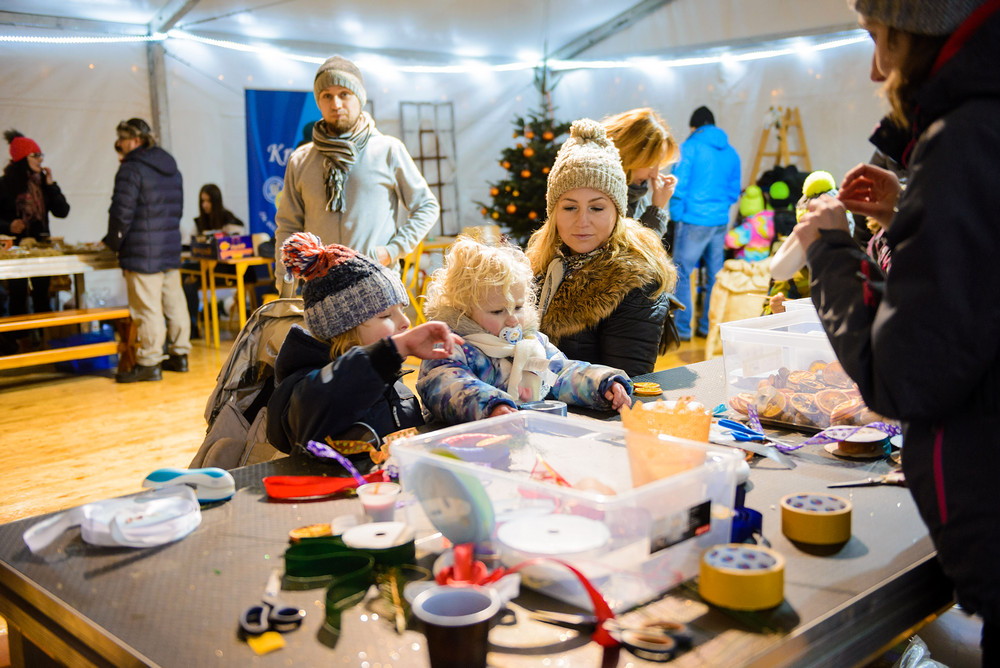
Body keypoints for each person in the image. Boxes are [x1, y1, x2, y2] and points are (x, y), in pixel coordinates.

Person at [796, 0, 1000, 660]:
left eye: (877, 38)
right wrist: (912, 206)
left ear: (920, 30)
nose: (877, 67)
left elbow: (905, 373)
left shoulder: (967, 135)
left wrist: (830, 248)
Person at [267, 232, 461, 465]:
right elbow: (330, 393)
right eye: (386, 315)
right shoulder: (307, 388)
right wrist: (395, 348)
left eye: (402, 309)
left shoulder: (393, 386)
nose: (405, 322)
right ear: (342, 331)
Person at [416, 236, 632, 425]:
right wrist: (491, 407)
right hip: (466, 446)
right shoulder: (451, 347)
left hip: (525, 434)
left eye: (518, 307)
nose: (512, 319)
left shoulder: (531, 341)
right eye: (497, 311)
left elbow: (560, 372)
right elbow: (446, 384)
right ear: (462, 311)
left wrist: (601, 383)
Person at [274, 55, 439, 296]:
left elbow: (427, 206)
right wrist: (285, 285)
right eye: (326, 96)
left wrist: (391, 251)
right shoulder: (301, 160)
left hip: (376, 284)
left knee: (382, 337)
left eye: (344, 94)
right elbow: (289, 226)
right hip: (321, 288)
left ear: (359, 98)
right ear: (319, 102)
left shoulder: (387, 150)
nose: (336, 103)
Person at [525, 119, 676, 378]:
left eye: (597, 208)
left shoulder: (635, 282)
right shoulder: (544, 263)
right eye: (570, 207)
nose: (582, 221)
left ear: (617, 213)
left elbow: (624, 383)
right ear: (554, 213)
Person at [103, 118, 190, 383]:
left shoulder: (131, 168)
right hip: (168, 247)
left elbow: (122, 212)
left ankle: (150, 362)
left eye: (122, 138)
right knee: (174, 303)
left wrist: (112, 243)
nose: (119, 144)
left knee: (147, 308)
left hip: (142, 251)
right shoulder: (170, 166)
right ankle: (180, 355)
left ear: (136, 140)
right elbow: (178, 209)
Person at [668, 106, 741, 340]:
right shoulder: (731, 152)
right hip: (719, 220)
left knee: (681, 273)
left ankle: (682, 330)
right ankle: (707, 328)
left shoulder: (689, 148)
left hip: (692, 220)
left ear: (694, 126)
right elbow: (733, 191)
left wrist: (676, 216)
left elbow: (678, 187)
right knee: (714, 275)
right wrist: (719, 208)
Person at [0, 130, 70, 323]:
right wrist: (8, 226)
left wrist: (52, 185)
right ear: (23, 158)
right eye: (35, 155)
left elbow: (63, 211)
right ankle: (21, 342)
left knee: (42, 295)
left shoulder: (44, 184)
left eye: (41, 155)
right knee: (18, 297)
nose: (40, 159)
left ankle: (44, 339)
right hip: (14, 250)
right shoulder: (5, 185)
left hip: (41, 248)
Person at [602, 108, 679, 246]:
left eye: (658, 165)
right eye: (651, 163)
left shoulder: (635, 190)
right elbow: (633, 255)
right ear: (630, 153)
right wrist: (657, 210)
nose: (654, 174)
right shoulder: (599, 192)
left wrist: (657, 206)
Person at [184, 184, 246, 337]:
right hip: (205, 269)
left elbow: (239, 240)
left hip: (226, 269)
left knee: (188, 279)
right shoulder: (200, 222)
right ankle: (192, 325)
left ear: (216, 201)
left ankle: (192, 325)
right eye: (202, 201)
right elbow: (188, 245)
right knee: (184, 277)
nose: (205, 205)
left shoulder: (229, 220)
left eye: (208, 201)